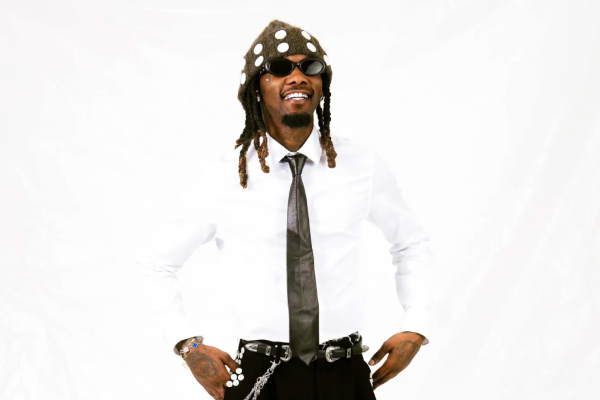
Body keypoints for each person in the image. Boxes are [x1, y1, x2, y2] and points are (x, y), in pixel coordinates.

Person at [138, 19, 434, 400]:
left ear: (322, 83)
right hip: (262, 375)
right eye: (279, 68)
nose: (297, 77)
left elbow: (410, 243)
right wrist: (187, 345)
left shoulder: (361, 165)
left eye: (310, 67)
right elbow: (157, 264)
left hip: (344, 374)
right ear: (256, 87)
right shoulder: (223, 177)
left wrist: (416, 325)